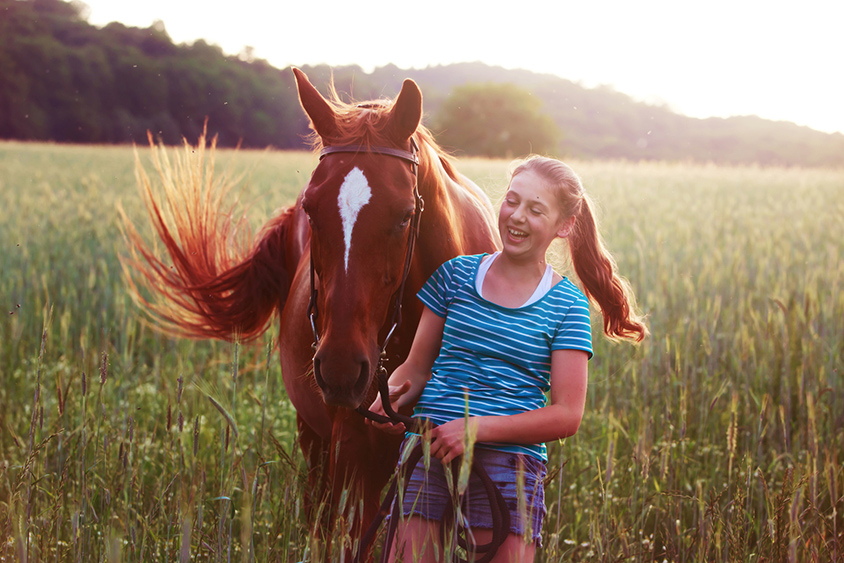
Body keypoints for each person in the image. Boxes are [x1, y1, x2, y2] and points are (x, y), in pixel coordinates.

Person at [369, 155, 647, 562]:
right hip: (430, 447)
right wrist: (391, 397)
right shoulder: (454, 276)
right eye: (512, 201)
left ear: (564, 225)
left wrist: (474, 429)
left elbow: (567, 415)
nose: (517, 216)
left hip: (510, 464)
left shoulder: (567, 305)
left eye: (535, 209)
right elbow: (416, 368)